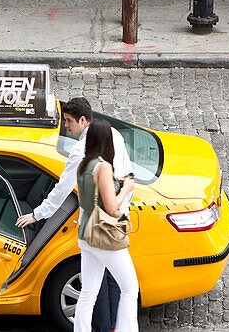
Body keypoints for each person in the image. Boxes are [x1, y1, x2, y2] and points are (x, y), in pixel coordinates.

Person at [16, 97, 131, 332]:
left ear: (82, 120)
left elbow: (63, 189)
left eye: (68, 121)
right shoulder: (113, 135)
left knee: (95, 288)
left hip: (95, 226)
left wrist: (37, 215)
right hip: (113, 222)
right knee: (115, 283)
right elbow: (125, 176)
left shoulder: (82, 151)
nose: (65, 126)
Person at [71, 118, 139, 332]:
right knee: (130, 289)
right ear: (107, 140)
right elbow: (111, 208)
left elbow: (85, 200)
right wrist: (125, 188)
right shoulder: (103, 167)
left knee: (88, 293)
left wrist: (112, 185)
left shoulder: (83, 166)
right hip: (104, 236)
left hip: (86, 234)